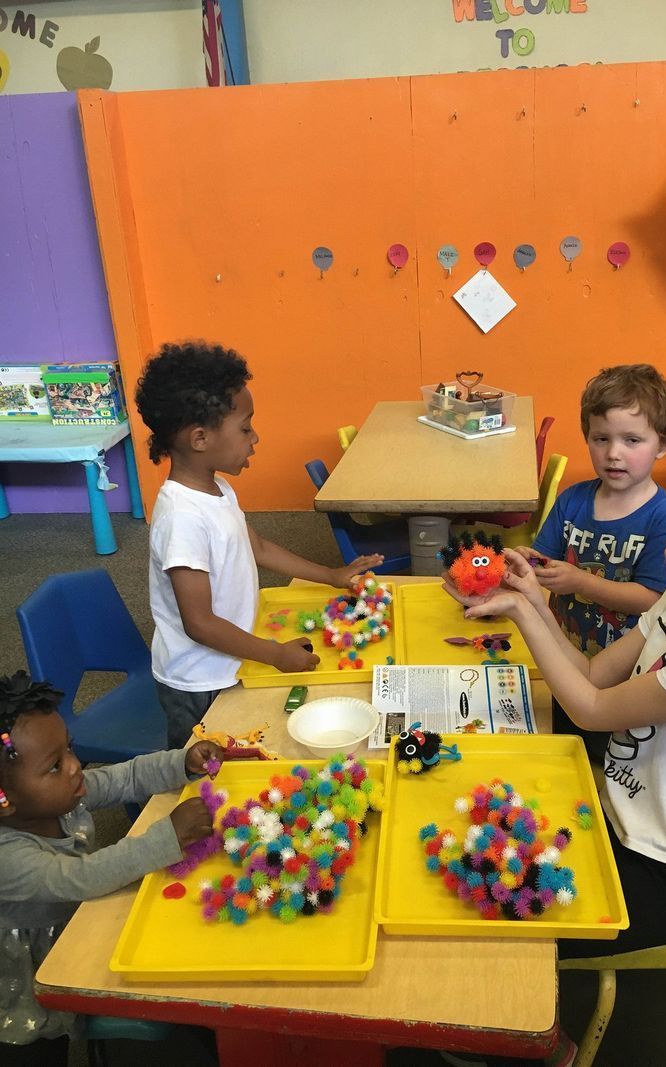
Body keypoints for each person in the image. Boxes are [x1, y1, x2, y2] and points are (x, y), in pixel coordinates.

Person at [448, 444, 666, 962]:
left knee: (501, 938)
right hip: (622, 815)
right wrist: (536, 603)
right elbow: (593, 675)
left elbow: (591, 709)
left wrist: (522, 614)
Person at [135, 342, 384, 748]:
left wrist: (331, 575)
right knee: (202, 767)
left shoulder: (218, 488)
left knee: (241, 747)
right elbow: (200, 623)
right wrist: (275, 654)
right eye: (245, 428)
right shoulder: (182, 518)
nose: (255, 438)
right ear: (200, 438)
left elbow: (259, 548)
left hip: (230, 660)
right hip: (198, 680)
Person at [0, 671, 224, 1066]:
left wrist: (181, 762)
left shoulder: (63, 795)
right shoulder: (8, 858)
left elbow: (125, 777)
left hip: (80, 923)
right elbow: (83, 877)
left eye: (70, 749)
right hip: (24, 980)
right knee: (37, 1042)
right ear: (4, 800)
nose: (75, 767)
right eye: (55, 765)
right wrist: (166, 836)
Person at [526, 363, 666, 763]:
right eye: (601, 438)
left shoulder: (664, 517)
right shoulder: (573, 499)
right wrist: (521, 563)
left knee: (604, 758)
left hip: (624, 674)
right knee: (562, 741)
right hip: (564, 653)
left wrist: (580, 582)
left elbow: (653, 599)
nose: (613, 453)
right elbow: (545, 559)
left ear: (663, 445)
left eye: (632, 440)